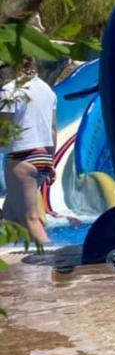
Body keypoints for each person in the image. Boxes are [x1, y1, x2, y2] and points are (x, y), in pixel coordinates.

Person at [1, 58, 57, 249]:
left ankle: (50, 255)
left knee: (31, 218)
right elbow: (52, 130)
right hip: (43, 157)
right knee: (10, 215)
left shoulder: (10, 90)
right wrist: (51, 162)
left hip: (21, 159)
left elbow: (4, 130)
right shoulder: (47, 91)